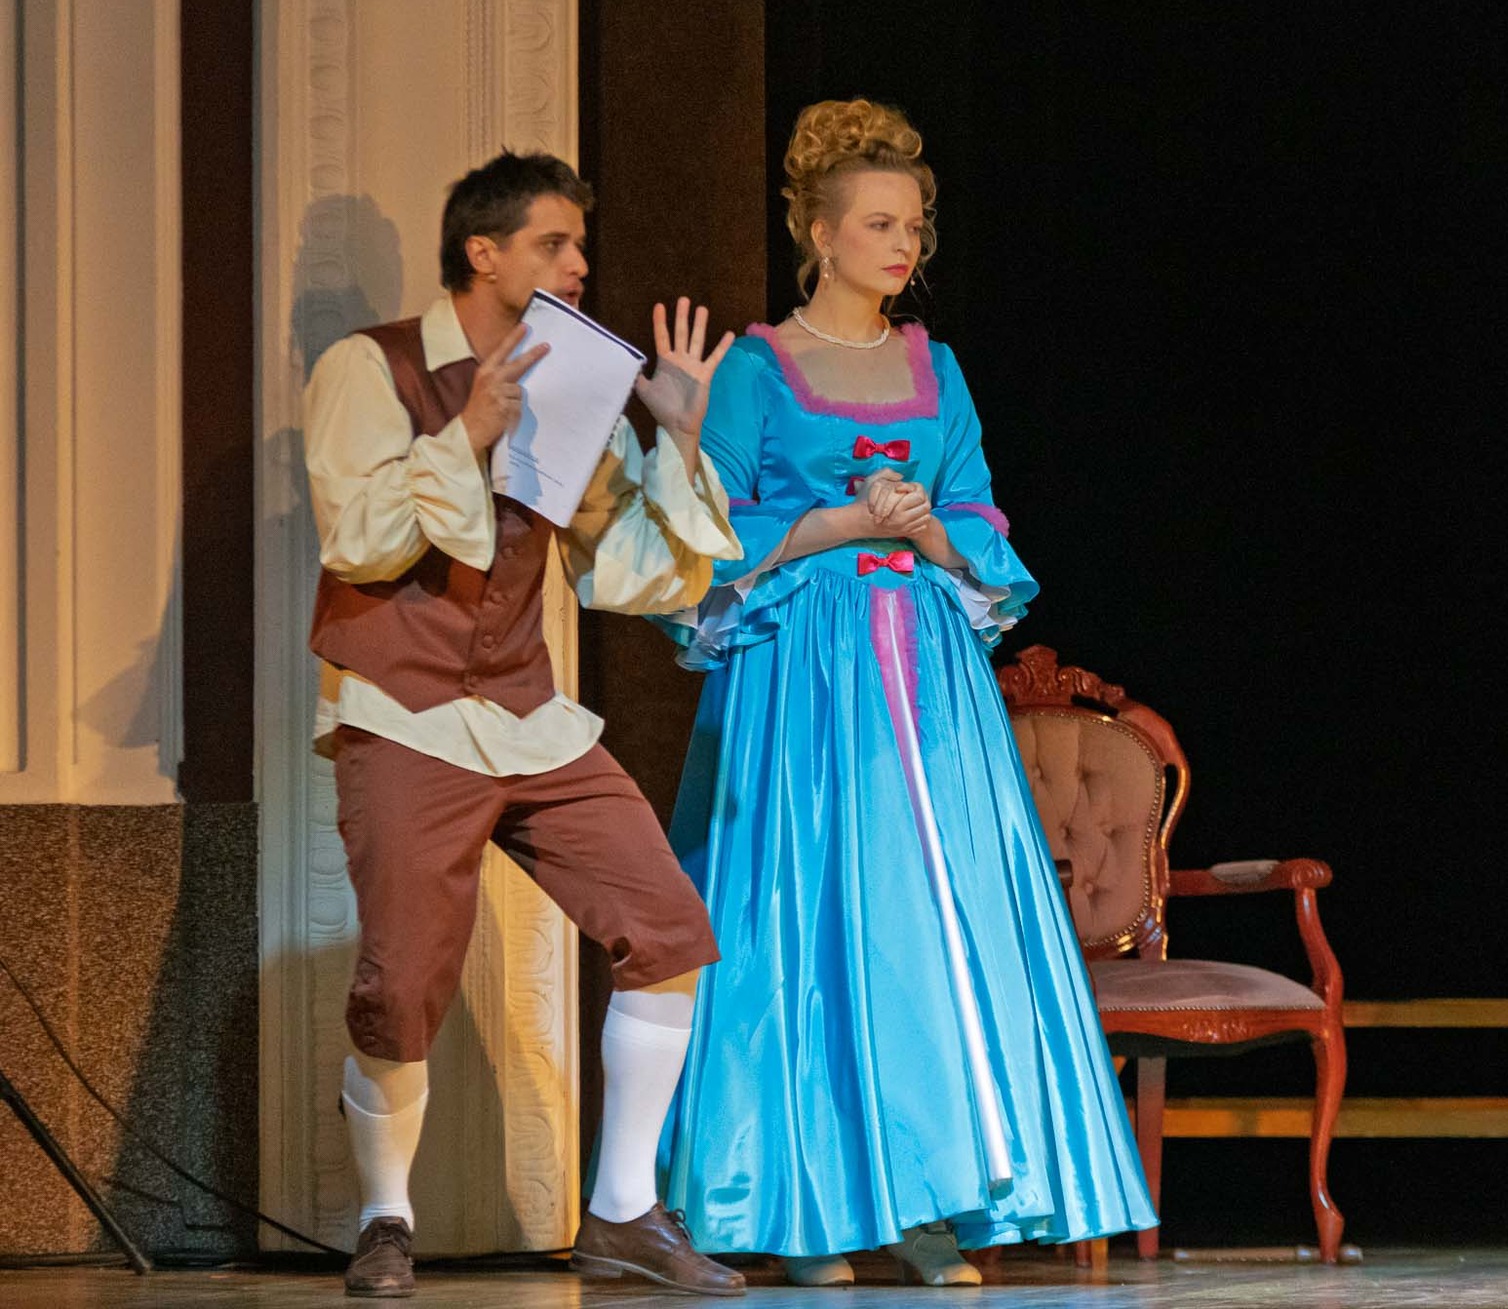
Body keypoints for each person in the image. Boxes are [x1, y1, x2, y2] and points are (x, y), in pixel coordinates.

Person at [647, 100, 1156, 1288]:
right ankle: (808, 1209)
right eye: (878, 223)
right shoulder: (757, 368)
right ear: (819, 235)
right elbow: (702, 529)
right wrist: (827, 524)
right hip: (801, 671)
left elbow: (977, 509)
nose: (903, 244)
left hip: (925, 673)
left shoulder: (937, 367)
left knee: (927, 923)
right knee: (806, 919)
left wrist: (929, 530)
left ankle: (930, 1200)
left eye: (914, 225)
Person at [305, 150, 748, 1299]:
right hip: (406, 715)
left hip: (525, 713)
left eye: (579, 245)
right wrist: (464, 434)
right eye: (554, 243)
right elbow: (358, 542)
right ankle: (385, 1220)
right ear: (482, 252)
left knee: (666, 928)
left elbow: (625, 571)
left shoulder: (570, 379)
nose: (578, 264)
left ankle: (623, 1212)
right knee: (403, 982)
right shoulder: (371, 367)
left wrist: (677, 437)